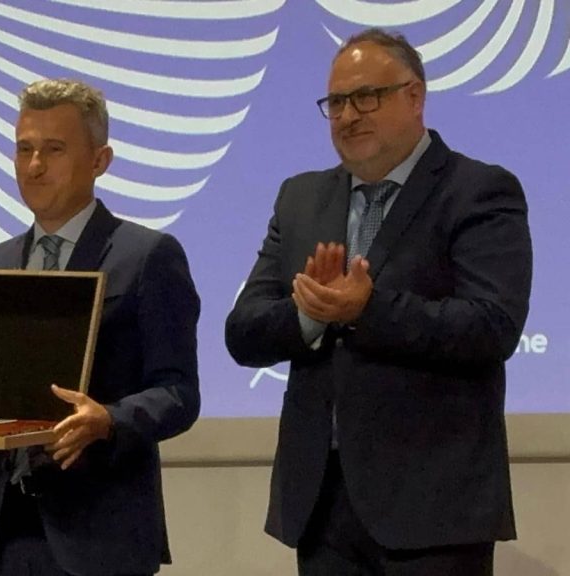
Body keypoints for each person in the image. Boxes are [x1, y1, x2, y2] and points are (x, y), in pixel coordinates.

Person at [225, 28, 532, 575]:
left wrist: (368, 310)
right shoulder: (300, 198)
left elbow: (492, 326)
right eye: (337, 102)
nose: (348, 115)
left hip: (434, 510)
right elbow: (243, 332)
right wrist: (309, 314)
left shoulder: (478, 190)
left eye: (366, 97)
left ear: (414, 96)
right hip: (322, 507)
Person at [0, 78, 201, 576]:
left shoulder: (148, 257)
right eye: (24, 149)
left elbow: (179, 392)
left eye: (54, 150)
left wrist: (109, 420)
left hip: (99, 537)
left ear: (100, 160)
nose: (34, 166)